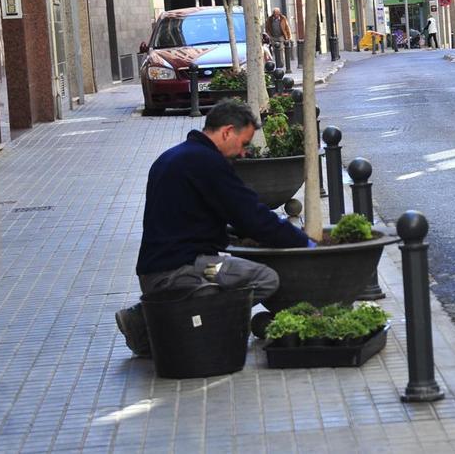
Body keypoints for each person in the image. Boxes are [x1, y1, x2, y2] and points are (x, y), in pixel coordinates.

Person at [114, 100, 311, 357]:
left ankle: (161, 321)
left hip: (159, 270)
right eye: (244, 144)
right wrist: (303, 242)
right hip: (180, 272)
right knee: (265, 278)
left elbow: (190, 218)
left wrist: (231, 234)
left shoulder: (174, 156)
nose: (242, 153)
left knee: (233, 273)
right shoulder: (206, 162)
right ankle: (157, 320)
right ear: (227, 131)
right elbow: (251, 215)